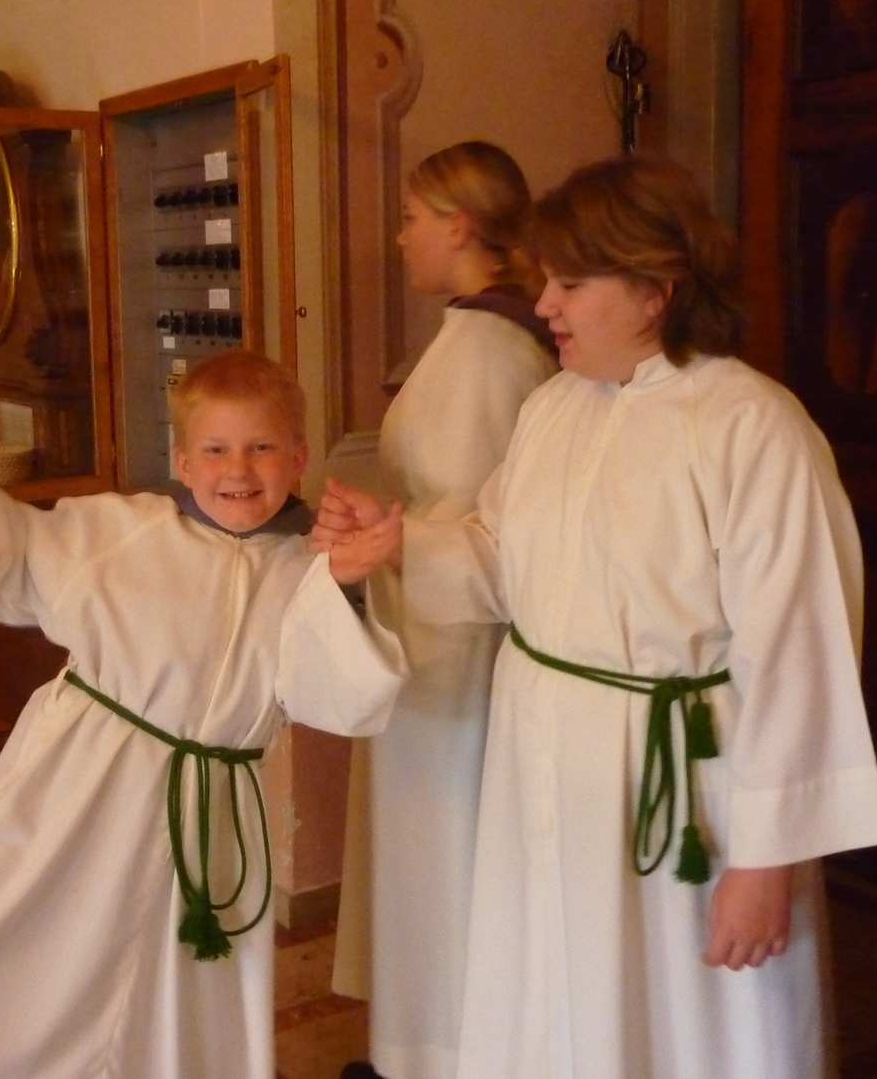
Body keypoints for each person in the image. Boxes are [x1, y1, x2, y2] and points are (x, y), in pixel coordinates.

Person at [315, 155, 877, 1079]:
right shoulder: (554, 407)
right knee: (553, 994)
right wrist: (399, 543)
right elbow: (504, 561)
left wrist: (765, 863)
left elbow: (800, 656)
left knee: (685, 1019)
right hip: (544, 757)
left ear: (658, 287)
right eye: (548, 279)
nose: (545, 304)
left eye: (571, 284)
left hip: (682, 780)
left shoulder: (752, 426)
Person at [0, 351, 406, 1079]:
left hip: (210, 814)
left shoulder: (308, 564)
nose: (239, 468)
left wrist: (345, 584)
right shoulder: (119, 531)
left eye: (262, 447)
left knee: (175, 986)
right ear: (183, 462)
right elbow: (13, 549)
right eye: (216, 449)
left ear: (299, 457)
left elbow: (338, 696)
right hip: (82, 790)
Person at [333, 140, 556, 1079]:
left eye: (412, 218)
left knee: (447, 851)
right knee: (421, 856)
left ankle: (451, 1055)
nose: (400, 237)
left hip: (457, 649)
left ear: (460, 226)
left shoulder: (492, 350)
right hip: (425, 619)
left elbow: (482, 524)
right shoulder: (472, 334)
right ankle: (414, 1047)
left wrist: (395, 537)